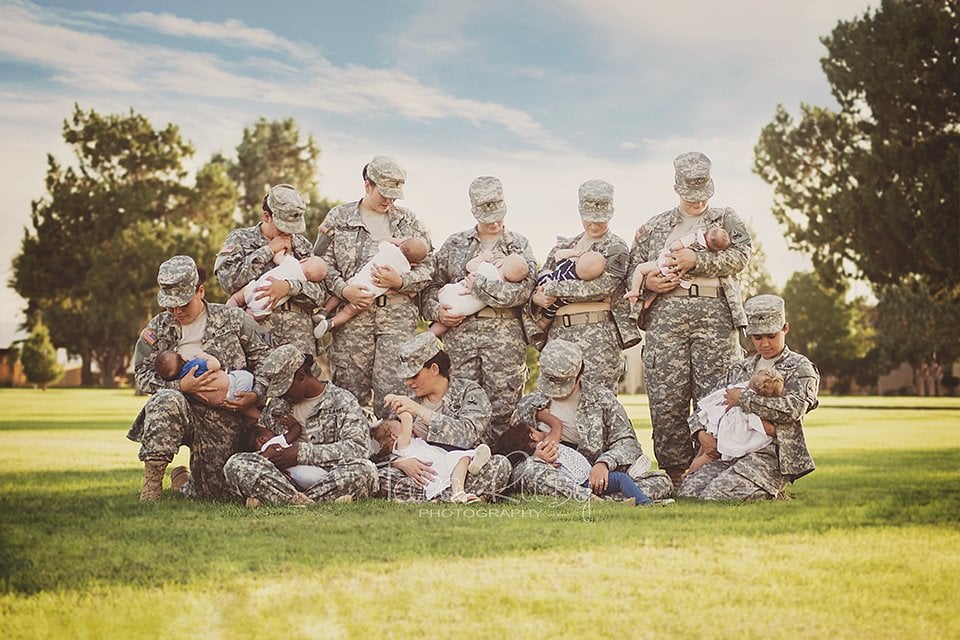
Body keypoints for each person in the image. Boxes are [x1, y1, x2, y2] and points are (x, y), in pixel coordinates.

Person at [628, 152, 752, 488]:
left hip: (715, 316)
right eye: (690, 195)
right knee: (667, 397)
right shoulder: (653, 227)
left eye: (703, 195)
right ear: (676, 188)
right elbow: (631, 269)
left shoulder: (725, 219)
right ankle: (675, 473)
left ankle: (717, 469)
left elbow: (742, 255)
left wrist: (697, 260)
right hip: (666, 318)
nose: (697, 202)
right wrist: (648, 284)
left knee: (716, 396)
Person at [127, 255, 270, 501]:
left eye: (183, 304)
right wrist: (179, 386)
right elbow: (142, 374)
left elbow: (266, 360)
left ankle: (183, 480)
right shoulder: (158, 328)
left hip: (225, 416)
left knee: (213, 494)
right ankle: (151, 485)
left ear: (200, 291)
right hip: (181, 410)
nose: (176, 311)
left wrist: (255, 394)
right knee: (166, 399)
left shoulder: (233, 319)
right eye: (170, 305)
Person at [314, 156, 434, 418]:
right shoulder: (339, 217)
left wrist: (401, 282)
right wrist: (343, 290)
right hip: (352, 319)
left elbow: (429, 267)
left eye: (395, 196)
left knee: (394, 395)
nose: (389, 201)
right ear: (367, 184)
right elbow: (321, 263)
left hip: (396, 320)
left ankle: (393, 455)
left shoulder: (408, 221)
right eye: (384, 193)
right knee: (348, 395)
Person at [421, 176, 537, 442]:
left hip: (504, 338)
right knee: (460, 405)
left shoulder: (518, 244)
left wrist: (480, 286)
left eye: (497, 212)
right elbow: (430, 288)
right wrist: (438, 312)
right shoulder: (454, 244)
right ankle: (464, 466)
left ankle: (502, 468)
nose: (494, 221)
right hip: (460, 335)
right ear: (473, 210)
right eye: (486, 215)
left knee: (504, 407)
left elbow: (523, 291)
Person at [679, 295, 819, 500]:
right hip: (729, 450)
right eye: (757, 337)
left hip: (770, 454)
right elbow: (708, 404)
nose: (764, 343)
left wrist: (744, 400)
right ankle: (759, 488)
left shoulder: (799, 367)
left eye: (771, 336)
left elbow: (794, 409)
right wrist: (701, 434)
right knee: (689, 493)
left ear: (785, 328)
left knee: (716, 496)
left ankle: (773, 491)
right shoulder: (740, 368)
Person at [507, 340, 673, 503]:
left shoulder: (602, 399)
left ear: (579, 375)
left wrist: (604, 463)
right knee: (527, 471)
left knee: (661, 482)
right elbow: (513, 450)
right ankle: (599, 500)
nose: (556, 390)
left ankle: (593, 499)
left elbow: (628, 443)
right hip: (552, 475)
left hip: (596, 476)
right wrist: (535, 457)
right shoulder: (529, 405)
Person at [223, 344, 380, 506]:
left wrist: (301, 453)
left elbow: (358, 448)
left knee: (365, 470)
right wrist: (269, 455)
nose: (281, 395)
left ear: (301, 375)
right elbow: (264, 442)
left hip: (329, 477)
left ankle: (285, 500)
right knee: (235, 464)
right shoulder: (279, 405)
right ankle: (304, 500)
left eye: (285, 388)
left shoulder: (342, 401)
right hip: (284, 479)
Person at [529, 180, 640, 392]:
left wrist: (555, 289)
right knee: (557, 404)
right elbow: (541, 279)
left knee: (597, 403)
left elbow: (602, 287)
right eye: (589, 219)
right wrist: (537, 297)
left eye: (600, 220)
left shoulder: (615, 247)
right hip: (559, 335)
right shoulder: (563, 247)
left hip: (597, 336)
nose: (595, 225)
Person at [375, 332, 512, 502]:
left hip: (464, 469)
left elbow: (467, 436)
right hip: (424, 475)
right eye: (406, 377)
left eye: (414, 375)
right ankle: (462, 497)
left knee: (500, 465)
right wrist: (399, 462)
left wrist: (419, 411)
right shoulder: (406, 397)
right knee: (382, 475)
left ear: (434, 369)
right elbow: (385, 443)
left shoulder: (469, 392)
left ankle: (443, 497)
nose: (408, 382)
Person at [214, 184, 326, 358]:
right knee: (258, 382)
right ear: (267, 216)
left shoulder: (302, 246)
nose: (289, 233)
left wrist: (289, 287)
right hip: (257, 333)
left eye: (294, 227)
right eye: (283, 226)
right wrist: (267, 251)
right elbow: (228, 282)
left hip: (299, 336)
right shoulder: (241, 239)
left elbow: (320, 295)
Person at [497, 420, 655, 506]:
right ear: (532, 436)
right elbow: (555, 427)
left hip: (580, 481)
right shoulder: (545, 447)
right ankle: (644, 502)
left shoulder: (537, 454)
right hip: (584, 481)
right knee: (621, 478)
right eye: (536, 429)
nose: (541, 431)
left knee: (655, 480)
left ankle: (624, 498)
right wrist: (548, 418)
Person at [313, 236, 430, 338]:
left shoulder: (389, 249)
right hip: (368, 294)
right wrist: (397, 285)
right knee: (349, 311)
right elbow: (413, 290)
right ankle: (331, 323)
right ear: (414, 263)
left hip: (357, 280)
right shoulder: (405, 269)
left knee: (340, 293)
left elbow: (383, 241)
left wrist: (398, 241)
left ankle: (324, 311)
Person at [370, 413, 492, 502]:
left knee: (461, 460)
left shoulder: (410, 443)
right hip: (438, 468)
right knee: (461, 459)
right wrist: (401, 407)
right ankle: (458, 492)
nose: (402, 424)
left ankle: (472, 464)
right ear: (394, 435)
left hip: (440, 464)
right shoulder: (402, 445)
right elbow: (407, 418)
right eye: (398, 424)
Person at [685, 367, 783, 476]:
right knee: (708, 455)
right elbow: (764, 427)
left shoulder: (738, 389)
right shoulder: (750, 404)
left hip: (716, 424)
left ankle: (689, 472)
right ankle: (689, 474)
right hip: (726, 430)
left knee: (704, 453)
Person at [624, 226, 731, 308]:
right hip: (680, 279)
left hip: (665, 265)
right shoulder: (708, 252)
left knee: (640, 269)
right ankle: (648, 302)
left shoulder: (693, 238)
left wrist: (673, 248)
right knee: (661, 287)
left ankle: (635, 290)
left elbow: (675, 246)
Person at [427, 252, 530, 337]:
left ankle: (429, 334)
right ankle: (432, 333)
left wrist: (482, 257)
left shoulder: (488, 268)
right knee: (452, 315)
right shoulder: (502, 285)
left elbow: (469, 266)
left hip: (452, 295)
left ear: (499, 264)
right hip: (466, 310)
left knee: (449, 311)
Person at [154, 349, 260, 420]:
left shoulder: (184, 383)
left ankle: (258, 417)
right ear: (182, 357)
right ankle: (262, 418)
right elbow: (216, 365)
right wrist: (206, 356)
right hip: (236, 383)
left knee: (246, 408)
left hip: (225, 403)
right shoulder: (194, 365)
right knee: (248, 377)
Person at [226, 252, 328, 320]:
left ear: (304, 260)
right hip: (265, 302)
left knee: (236, 298)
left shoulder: (292, 262)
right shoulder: (302, 280)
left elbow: (277, 257)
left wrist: (282, 250)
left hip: (256, 286)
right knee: (250, 316)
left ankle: (227, 312)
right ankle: (244, 315)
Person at [242, 415, 332, 491]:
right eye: (271, 432)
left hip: (295, 479)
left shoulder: (262, 457)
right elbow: (295, 432)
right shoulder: (272, 443)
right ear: (262, 439)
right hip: (308, 473)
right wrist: (294, 424)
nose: (274, 434)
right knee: (325, 479)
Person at [534, 250, 607, 332]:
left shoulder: (567, 267)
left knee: (545, 273)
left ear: (577, 260)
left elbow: (558, 255)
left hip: (546, 283)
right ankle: (539, 327)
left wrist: (576, 253)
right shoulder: (582, 285)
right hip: (555, 305)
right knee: (545, 320)